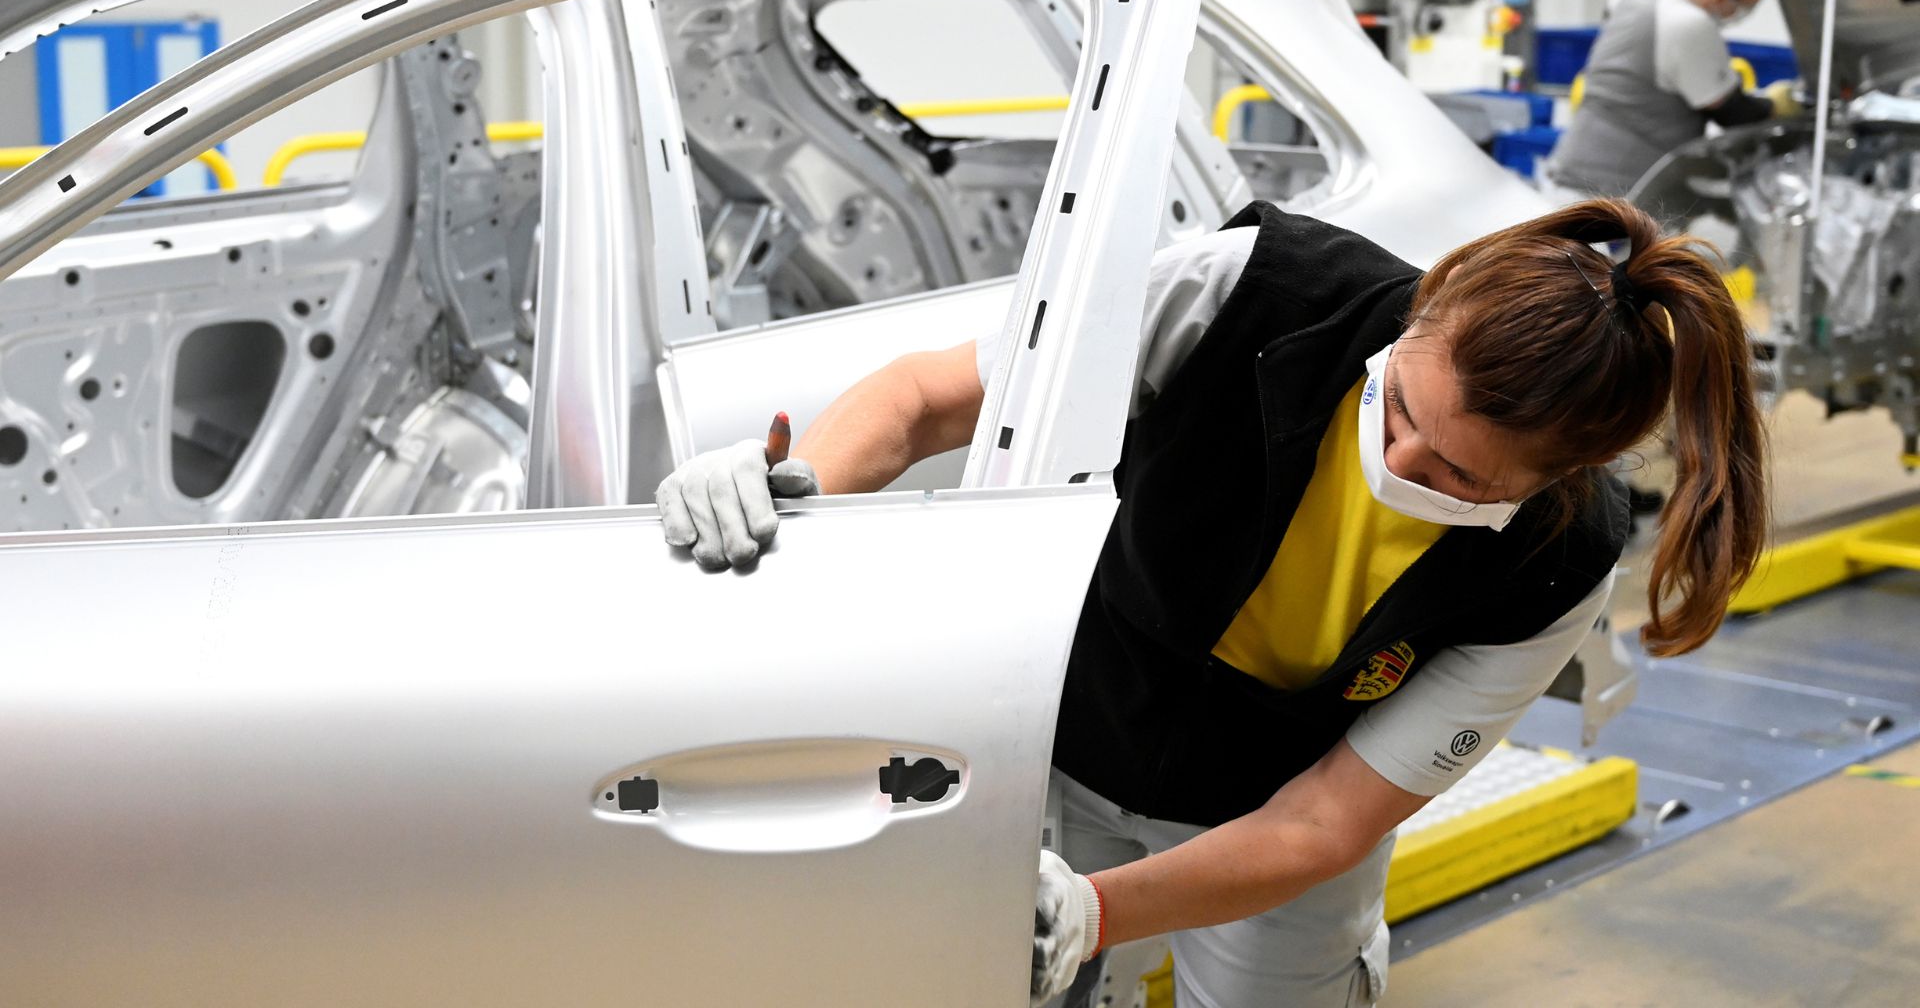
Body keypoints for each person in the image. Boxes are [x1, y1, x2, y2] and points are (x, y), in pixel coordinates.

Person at [655, 197, 1769, 1006]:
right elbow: (923, 400)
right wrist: (795, 496)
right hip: (1066, 736)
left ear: (1549, 483)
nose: (1401, 457)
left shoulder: (1560, 560)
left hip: (1268, 822)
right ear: (1420, 317)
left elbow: (1327, 821)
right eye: (1397, 410)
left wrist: (1099, 910)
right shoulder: (1256, 294)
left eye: (1456, 477)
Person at [1547, 0, 1800, 199]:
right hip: (1606, 194)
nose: (1743, 13)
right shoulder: (1689, 24)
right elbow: (1731, 112)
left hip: (1569, 172)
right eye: (1748, 4)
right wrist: (1776, 106)